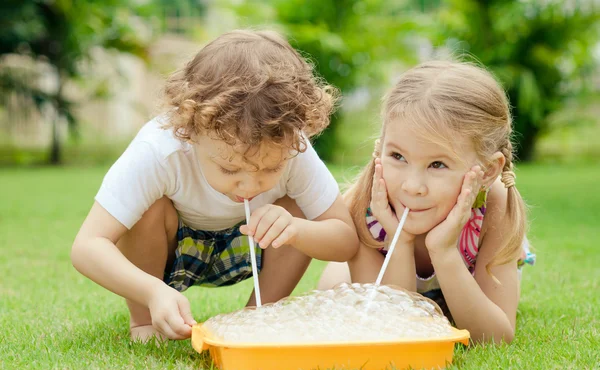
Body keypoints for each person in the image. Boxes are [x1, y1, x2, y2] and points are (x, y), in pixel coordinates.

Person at [70, 30, 359, 343]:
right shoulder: (159, 151)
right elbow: (87, 246)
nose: (250, 185)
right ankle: (144, 321)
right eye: (230, 168)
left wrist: (297, 229)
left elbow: (345, 240)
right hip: (170, 248)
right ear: (190, 129)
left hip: (252, 243)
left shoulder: (293, 148)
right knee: (148, 208)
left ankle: (259, 317)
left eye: (271, 168)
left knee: (295, 209)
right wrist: (152, 292)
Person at [318, 60, 535, 344]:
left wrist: (443, 252)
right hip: (389, 274)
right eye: (398, 157)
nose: (412, 186)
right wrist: (400, 240)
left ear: (488, 171)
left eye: (437, 164)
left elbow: (495, 337)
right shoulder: (364, 205)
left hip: (467, 276)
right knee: (335, 289)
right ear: (379, 148)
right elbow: (392, 324)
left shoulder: (495, 207)